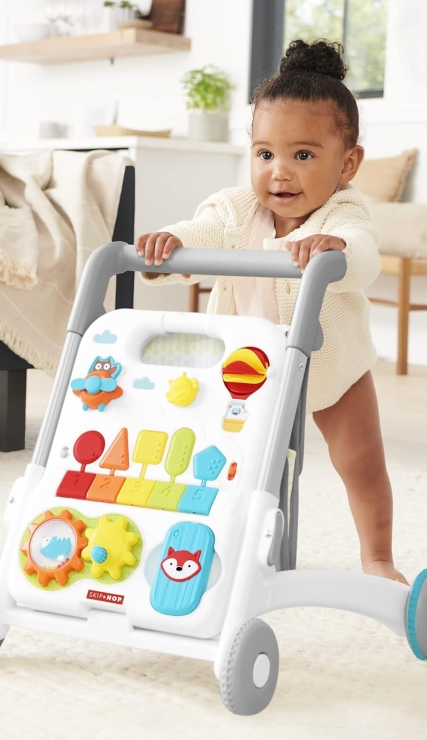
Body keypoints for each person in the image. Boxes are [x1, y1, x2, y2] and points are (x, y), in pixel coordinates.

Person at [137, 39, 408, 585]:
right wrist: (171, 244)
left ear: (348, 164)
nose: (279, 172)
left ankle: (377, 557)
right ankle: (222, 545)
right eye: (265, 154)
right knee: (229, 459)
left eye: (302, 155)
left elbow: (363, 252)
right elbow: (203, 230)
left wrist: (336, 247)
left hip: (330, 364)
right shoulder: (238, 208)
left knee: (360, 460)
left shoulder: (342, 211)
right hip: (247, 368)